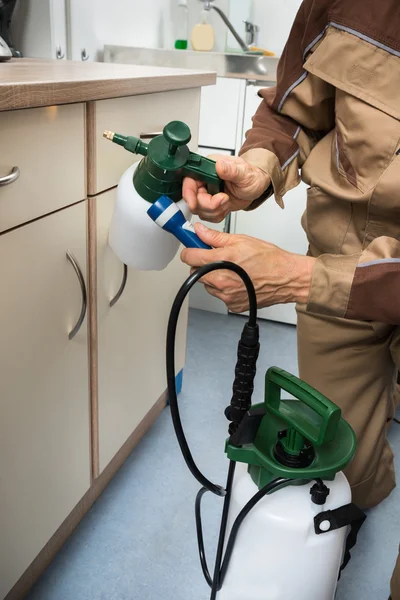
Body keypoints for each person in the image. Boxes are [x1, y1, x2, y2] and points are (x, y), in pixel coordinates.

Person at [181, 0, 400, 597]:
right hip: (336, 252)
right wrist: (257, 164)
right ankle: (359, 505)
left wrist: (295, 279)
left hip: (334, 274)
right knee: (336, 447)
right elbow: (291, 108)